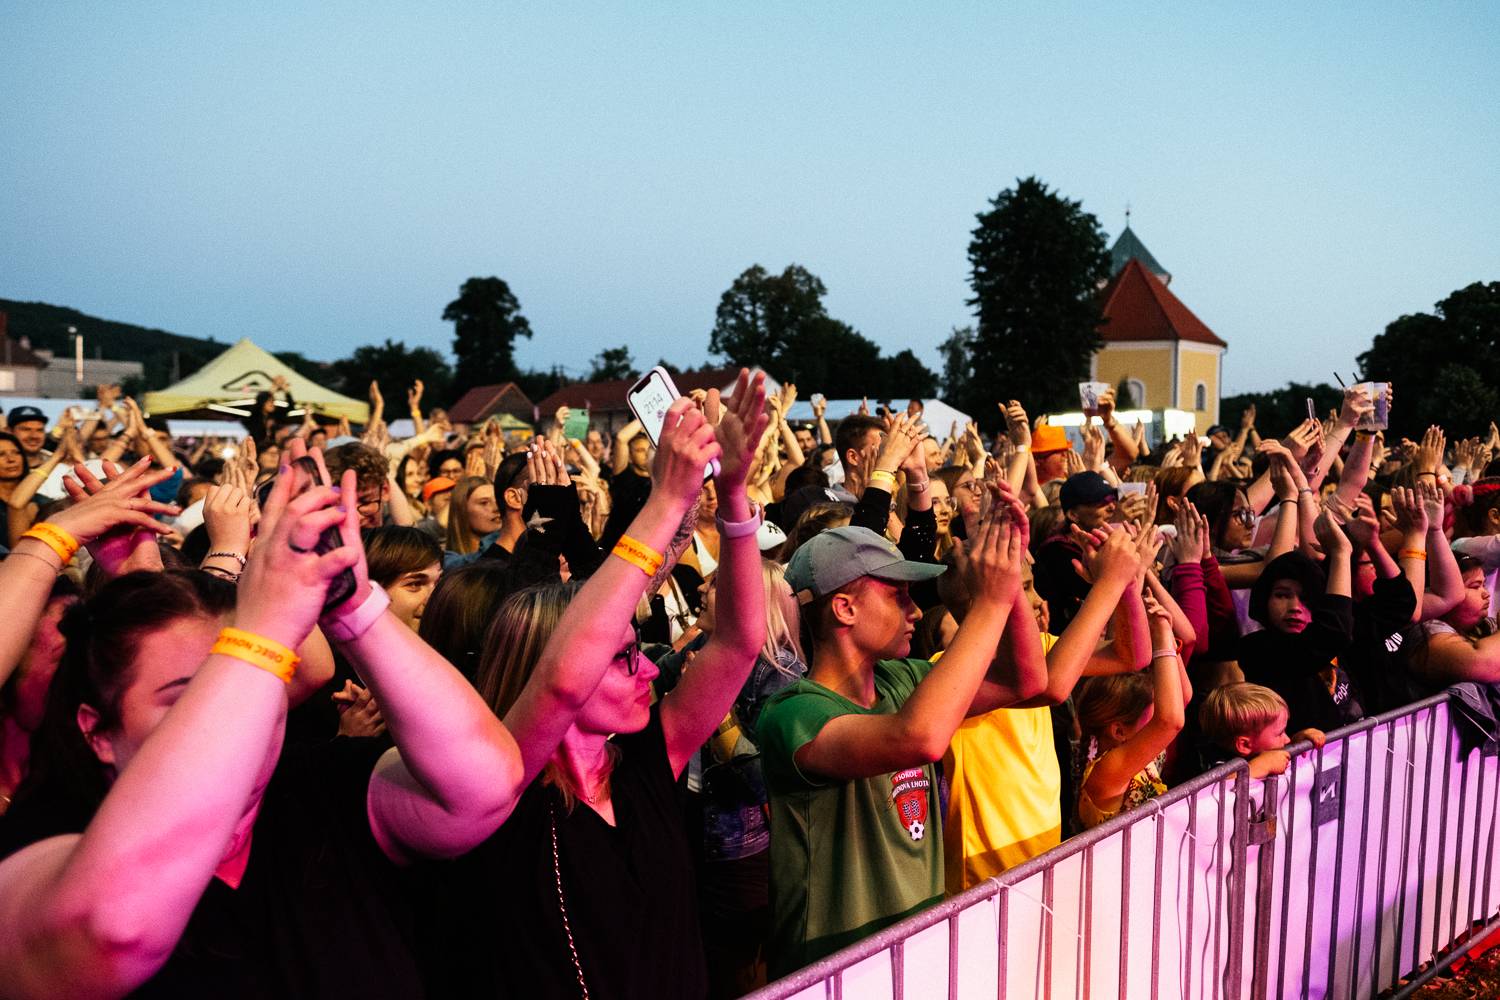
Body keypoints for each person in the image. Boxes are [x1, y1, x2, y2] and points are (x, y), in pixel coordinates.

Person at [0, 451, 526, 997]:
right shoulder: (51, 839)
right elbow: (113, 929)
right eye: (188, 697)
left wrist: (351, 608)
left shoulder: (315, 789)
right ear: (97, 733)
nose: (236, 711)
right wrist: (46, 542)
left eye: (256, 678)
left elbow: (485, 786)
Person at [421, 374, 769, 998]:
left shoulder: (645, 760)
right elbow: (557, 685)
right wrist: (664, 498)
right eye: (621, 658)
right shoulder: (502, 785)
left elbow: (740, 643)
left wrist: (736, 496)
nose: (651, 669)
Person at [756, 482, 1041, 977]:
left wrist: (1009, 581)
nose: (914, 612)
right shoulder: (793, 713)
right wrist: (989, 602)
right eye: (899, 596)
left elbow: (1027, 679)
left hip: (917, 951)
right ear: (844, 608)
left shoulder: (902, 679)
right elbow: (920, 739)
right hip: (835, 972)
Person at [943, 529, 1148, 891]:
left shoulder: (1039, 648)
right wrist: (1107, 585)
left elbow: (1130, 655)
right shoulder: (949, 672)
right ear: (985, 594)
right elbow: (1049, 685)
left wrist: (1127, 585)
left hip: (1041, 854)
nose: (1039, 600)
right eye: (1024, 588)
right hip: (984, 876)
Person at [1074, 595, 1188, 829]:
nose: (1161, 711)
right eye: (1152, 711)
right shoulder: (1107, 770)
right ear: (1119, 730)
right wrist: (1161, 640)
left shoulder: (1140, 753)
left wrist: (1166, 638)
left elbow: (1182, 697)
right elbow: (1170, 720)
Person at [1197, 682, 1325, 779]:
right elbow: (1219, 787)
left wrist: (1298, 743)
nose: (1287, 739)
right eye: (1280, 733)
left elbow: (1274, 756)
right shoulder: (1214, 760)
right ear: (1245, 745)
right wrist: (1261, 766)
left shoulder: (1262, 747)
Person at [6, 406, 51, 470]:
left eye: (39, 430)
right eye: (26, 429)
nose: (34, 436)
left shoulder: (59, 465)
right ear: (9, 432)